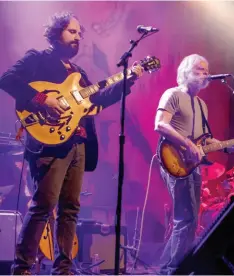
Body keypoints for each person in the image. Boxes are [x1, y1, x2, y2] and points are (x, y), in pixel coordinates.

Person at [0, 11, 143, 275]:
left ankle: (63, 269)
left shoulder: (79, 73)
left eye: (80, 33)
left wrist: (128, 80)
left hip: (78, 144)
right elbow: (7, 79)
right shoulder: (38, 59)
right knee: (44, 204)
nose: (78, 37)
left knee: (71, 209)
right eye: (72, 32)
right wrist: (44, 100)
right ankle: (21, 268)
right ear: (56, 34)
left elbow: (96, 100)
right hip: (50, 144)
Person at [154, 54, 234, 274]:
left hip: (192, 164)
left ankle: (167, 266)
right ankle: (173, 269)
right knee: (185, 217)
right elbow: (160, 125)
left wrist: (228, 147)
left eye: (206, 70)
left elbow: (205, 140)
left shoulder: (202, 105)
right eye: (199, 70)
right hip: (173, 159)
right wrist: (186, 143)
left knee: (190, 218)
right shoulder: (173, 94)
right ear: (185, 72)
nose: (205, 74)